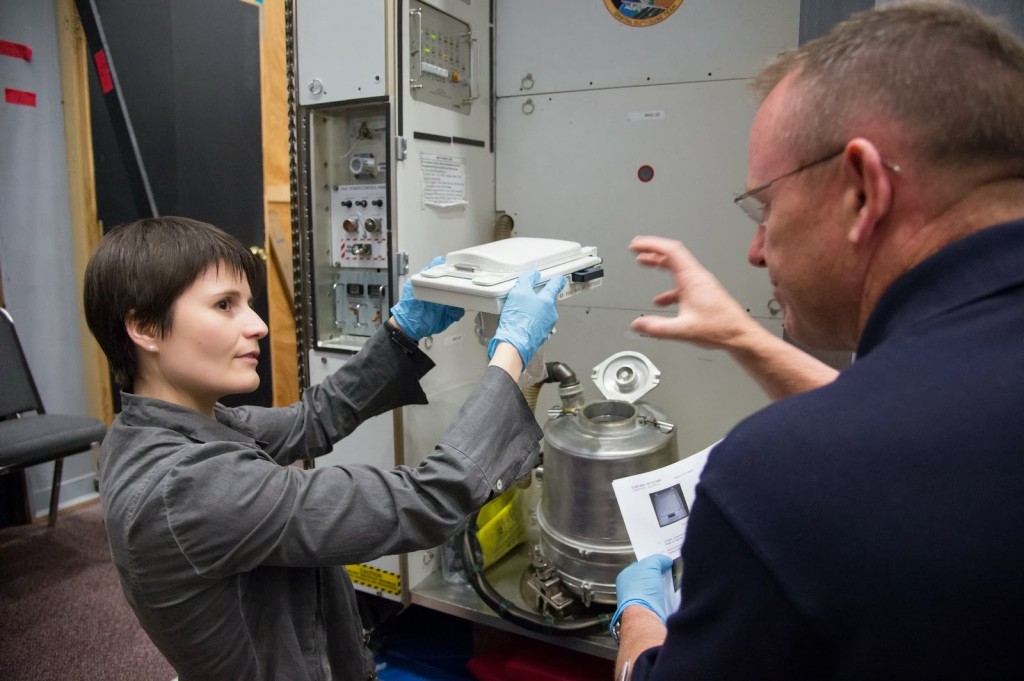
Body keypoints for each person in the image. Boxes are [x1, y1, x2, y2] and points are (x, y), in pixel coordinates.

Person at [611, 3, 1024, 679]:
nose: (753, 250)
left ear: (863, 191)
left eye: (765, 207)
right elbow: (928, 433)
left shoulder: (776, 480)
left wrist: (639, 624)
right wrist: (744, 336)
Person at [82, 216, 565, 681]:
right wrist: (512, 355)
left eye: (247, 303)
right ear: (144, 328)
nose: (258, 326)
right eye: (225, 305)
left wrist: (402, 332)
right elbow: (423, 499)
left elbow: (311, 420)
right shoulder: (186, 486)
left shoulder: (153, 430)